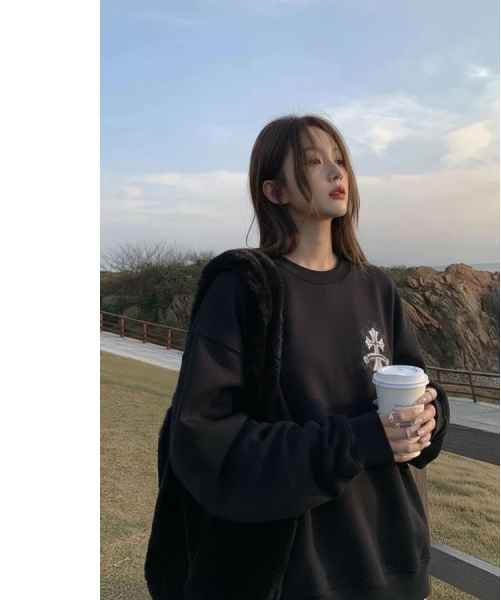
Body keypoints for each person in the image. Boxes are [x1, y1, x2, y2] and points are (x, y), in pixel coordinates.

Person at [144, 114, 450, 600]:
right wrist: (358, 440)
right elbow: (205, 438)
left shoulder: (377, 287)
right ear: (275, 191)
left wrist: (431, 417)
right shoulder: (244, 289)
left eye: (339, 159)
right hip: (297, 573)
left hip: (393, 562)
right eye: (312, 161)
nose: (336, 171)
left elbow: (420, 383)